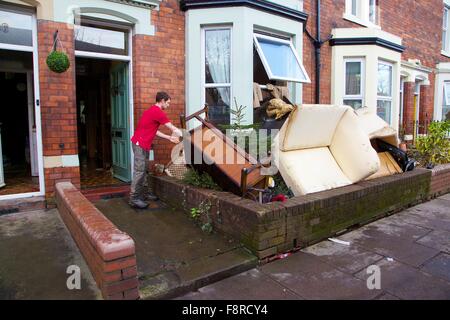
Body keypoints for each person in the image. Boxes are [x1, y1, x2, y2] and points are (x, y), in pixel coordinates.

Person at [129, 91, 182, 209]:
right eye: (168, 103)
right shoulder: (157, 112)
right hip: (139, 144)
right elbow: (172, 127)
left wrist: (169, 138)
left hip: (143, 144)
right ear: (162, 100)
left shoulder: (151, 111)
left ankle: (144, 194)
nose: (168, 105)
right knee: (139, 171)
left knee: (144, 169)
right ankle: (134, 199)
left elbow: (154, 131)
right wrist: (182, 134)